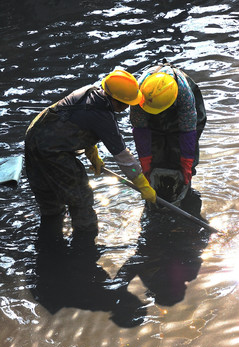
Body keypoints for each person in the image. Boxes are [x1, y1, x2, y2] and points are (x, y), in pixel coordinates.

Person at [25, 69, 156, 250]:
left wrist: (91, 151)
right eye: (125, 104)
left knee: (50, 201)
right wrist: (142, 183)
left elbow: (76, 120)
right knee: (81, 197)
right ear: (114, 100)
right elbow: (123, 157)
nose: (127, 108)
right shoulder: (103, 116)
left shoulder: (90, 91)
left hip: (34, 136)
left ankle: (49, 243)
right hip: (53, 152)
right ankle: (85, 243)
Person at [130, 59, 207, 204]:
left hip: (183, 118)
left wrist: (186, 163)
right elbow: (140, 130)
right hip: (149, 113)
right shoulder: (139, 93)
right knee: (155, 156)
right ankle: (154, 194)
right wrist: (145, 162)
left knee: (182, 156)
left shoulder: (184, 94)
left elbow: (188, 131)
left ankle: (185, 191)